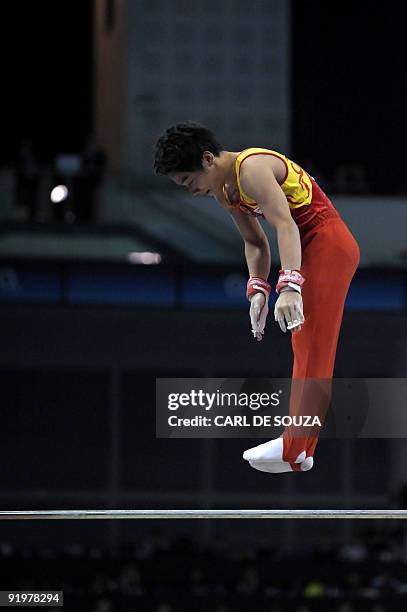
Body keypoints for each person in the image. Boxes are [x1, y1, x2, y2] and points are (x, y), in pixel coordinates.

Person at [153, 121, 360, 473]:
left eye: (189, 181)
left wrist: (290, 284)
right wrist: (258, 290)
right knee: (306, 342)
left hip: (327, 242)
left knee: (311, 342)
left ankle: (294, 449)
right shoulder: (224, 190)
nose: (191, 191)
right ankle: (300, 451)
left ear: (207, 159)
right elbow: (254, 242)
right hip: (307, 248)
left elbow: (285, 225)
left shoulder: (251, 168)